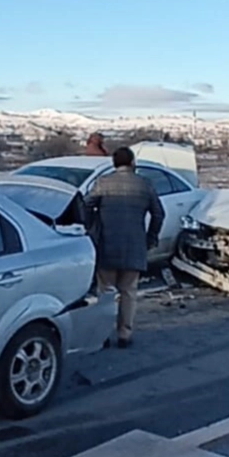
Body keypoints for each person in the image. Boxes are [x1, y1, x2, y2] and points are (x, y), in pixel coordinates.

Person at [84, 147, 164, 349]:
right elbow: (158, 214)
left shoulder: (103, 183)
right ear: (132, 162)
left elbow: (85, 204)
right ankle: (124, 334)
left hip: (106, 244)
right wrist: (150, 237)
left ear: (114, 163)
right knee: (129, 292)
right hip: (135, 245)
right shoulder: (145, 184)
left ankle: (103, 335)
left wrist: (92, 225)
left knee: (106, 292)